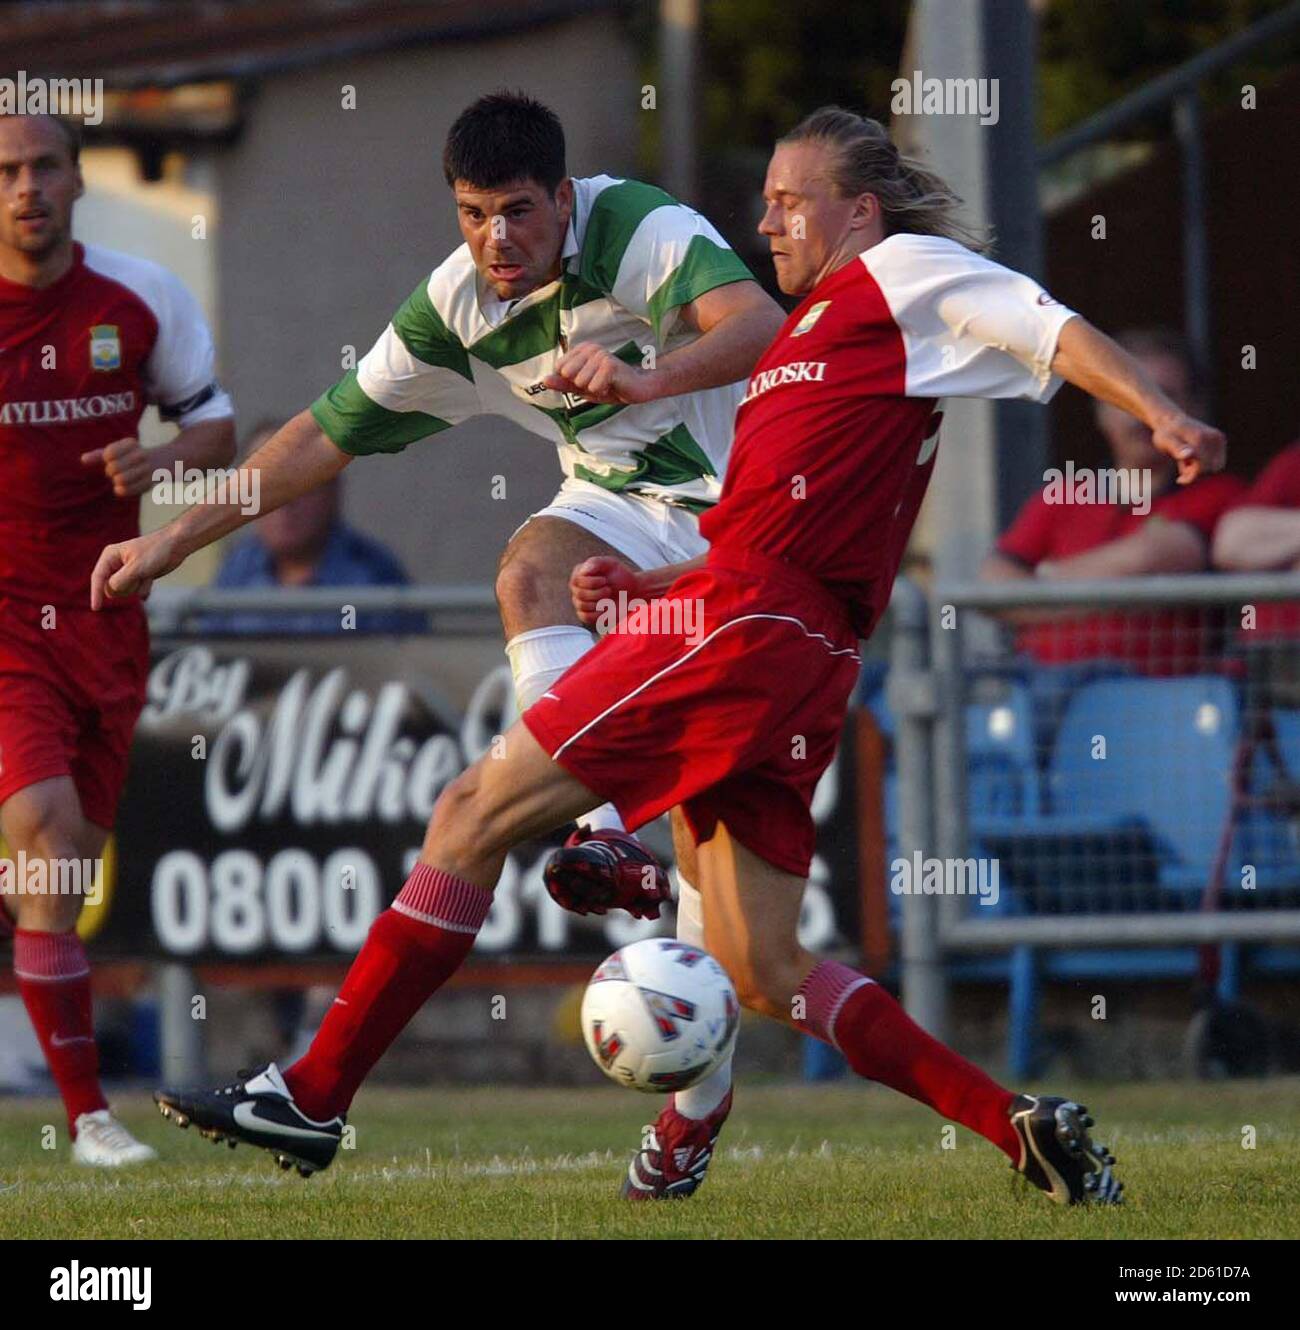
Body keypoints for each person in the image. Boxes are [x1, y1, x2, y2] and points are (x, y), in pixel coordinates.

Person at [97, 106, 1225, 1206]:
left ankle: (314, 1090)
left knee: (469, 813)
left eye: (789, 203)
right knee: (760, 970)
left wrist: (1162, 413)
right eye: (471, 215)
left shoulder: (874, 276)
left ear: (861, 210)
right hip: (769, 629)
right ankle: (1012, 1122)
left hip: (749, 619)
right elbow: (314, 440)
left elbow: (1044, 324)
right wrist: (175, 540)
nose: (767, 222)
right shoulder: (810, 323)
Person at [0, 113, 235, 1165]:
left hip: (105, 610)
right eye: (6, 172)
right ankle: (90, 1116)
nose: (26, 188)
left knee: (65, 868)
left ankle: (81, 1099)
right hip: (4, 615)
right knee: (44, 829)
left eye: (44, 166)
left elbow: (217, 428)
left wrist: (162, 462)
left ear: (77, 178)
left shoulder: (140, 298)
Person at [979, 328, 1243, 674]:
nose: (1142, 415)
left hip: (1159, 702)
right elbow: (992, 585)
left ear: (1193, 410)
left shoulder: (1221, 494)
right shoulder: (1063, 493)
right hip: (1041, 696)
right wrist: (1123, 586)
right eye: (1125, 398)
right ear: (1100, 409)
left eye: (1165, 395)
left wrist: (1040, 585)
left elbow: (1155, 555)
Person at [201, 421, 423, 635]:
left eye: (300, 484)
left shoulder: (373, 577)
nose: (282, 504)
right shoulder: (237, 570)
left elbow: (398, 666)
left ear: (333, 490)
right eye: (265, 488)